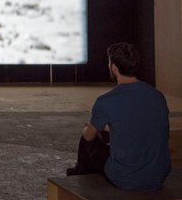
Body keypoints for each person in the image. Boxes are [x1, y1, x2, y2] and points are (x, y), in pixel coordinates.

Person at [66, 42, 171, 191]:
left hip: (126, 178)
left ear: (114, 67)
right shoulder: (157, 96)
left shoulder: (106, 101)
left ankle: (79, 175)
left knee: (87, 138)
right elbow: (143, 122)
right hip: (159, 175)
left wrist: (87, 129)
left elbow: (89, 136)